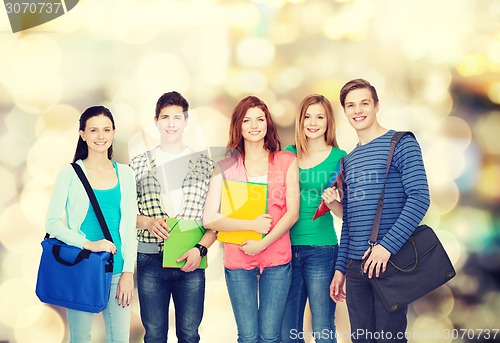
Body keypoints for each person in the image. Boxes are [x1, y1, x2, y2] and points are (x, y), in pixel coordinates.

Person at [330, 79, 430, 342]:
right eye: (350, 105)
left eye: (364, 103)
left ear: (376, 106)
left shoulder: (401, 143)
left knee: (389, 339)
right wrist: (341, 268)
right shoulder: (348, 160)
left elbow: (419, 198)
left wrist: (386, 247)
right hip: (355, 268)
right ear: (345, 111)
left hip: (391, 263)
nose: (357, 110)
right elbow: (350, 221)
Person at [203, 95, 300, 343]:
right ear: (238, 125)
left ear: (268, 123)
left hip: (277, 256)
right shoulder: (224, 165)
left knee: (269, 336)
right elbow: (209, 219)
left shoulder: (286, 161)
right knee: (247, 336)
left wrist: (262, 242)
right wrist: (251, 225)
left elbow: (292, 213)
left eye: (260, 119)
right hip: (237, 257)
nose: (254, 125)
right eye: (247, 120)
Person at [129, 91, 217, 343]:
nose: (171, 123)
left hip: (191, 260)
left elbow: (215, 220)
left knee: (189, 335)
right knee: (154, 334)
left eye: (177, 117)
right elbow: (124, 214)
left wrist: (200, 250)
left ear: (186, 121)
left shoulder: (204, 164)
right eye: (165, 117)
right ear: (155, 120)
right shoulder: (138, 164)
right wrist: (146, 221)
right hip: (150, 260)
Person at [45, 106, 137, 342]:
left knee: (119, 339)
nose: (101, 136)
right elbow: (52, 223)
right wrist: (88, 244)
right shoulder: (70, 173)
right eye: (94, 130)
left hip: (117, 271)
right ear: (82, 134)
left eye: (106, 130)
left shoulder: (126, 174)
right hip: (82, 268)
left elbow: (128, 226)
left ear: (114, 132)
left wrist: (128, 272)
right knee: (81, 338)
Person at [281, 94, 346, 343]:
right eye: (307, 116)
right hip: (286, 248)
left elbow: (344, 214)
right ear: (300, 120)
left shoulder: (340, 157)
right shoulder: (288, 154)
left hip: (322, 249)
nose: (313, 122)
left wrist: (333, 202)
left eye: (319, 117)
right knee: (289, 330)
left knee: (322, 327)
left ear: (328, 121)